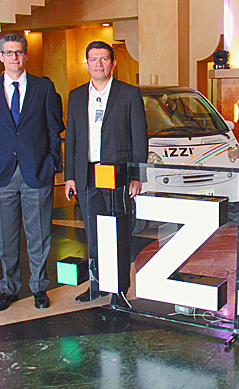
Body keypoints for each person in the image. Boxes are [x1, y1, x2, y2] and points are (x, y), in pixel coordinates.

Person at [0, 33, 62, 311]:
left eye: (18, 52)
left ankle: (39, 287)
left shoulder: (43, 87)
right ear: (0, 56)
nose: (14, 57)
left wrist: (52, 163)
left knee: (39, 234)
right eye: (8, 52)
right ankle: (9, 288)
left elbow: (53, 128)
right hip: (0, 173)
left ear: (26, 55)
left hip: (37, 171)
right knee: (5, 236)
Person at [64, 41, 148, 302]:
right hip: (86, 172)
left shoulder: (129, 94)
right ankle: (97, 284)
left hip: (116, 173)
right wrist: (70, 176)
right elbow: (72, 138)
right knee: (94, 232)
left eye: (104, 58)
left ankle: (119, 289)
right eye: (93, 59)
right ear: (86, 64)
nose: (98, 64)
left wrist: (136, 175)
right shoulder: (76, 95)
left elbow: (139, 137)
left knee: (117, 231)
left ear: (113, 63)